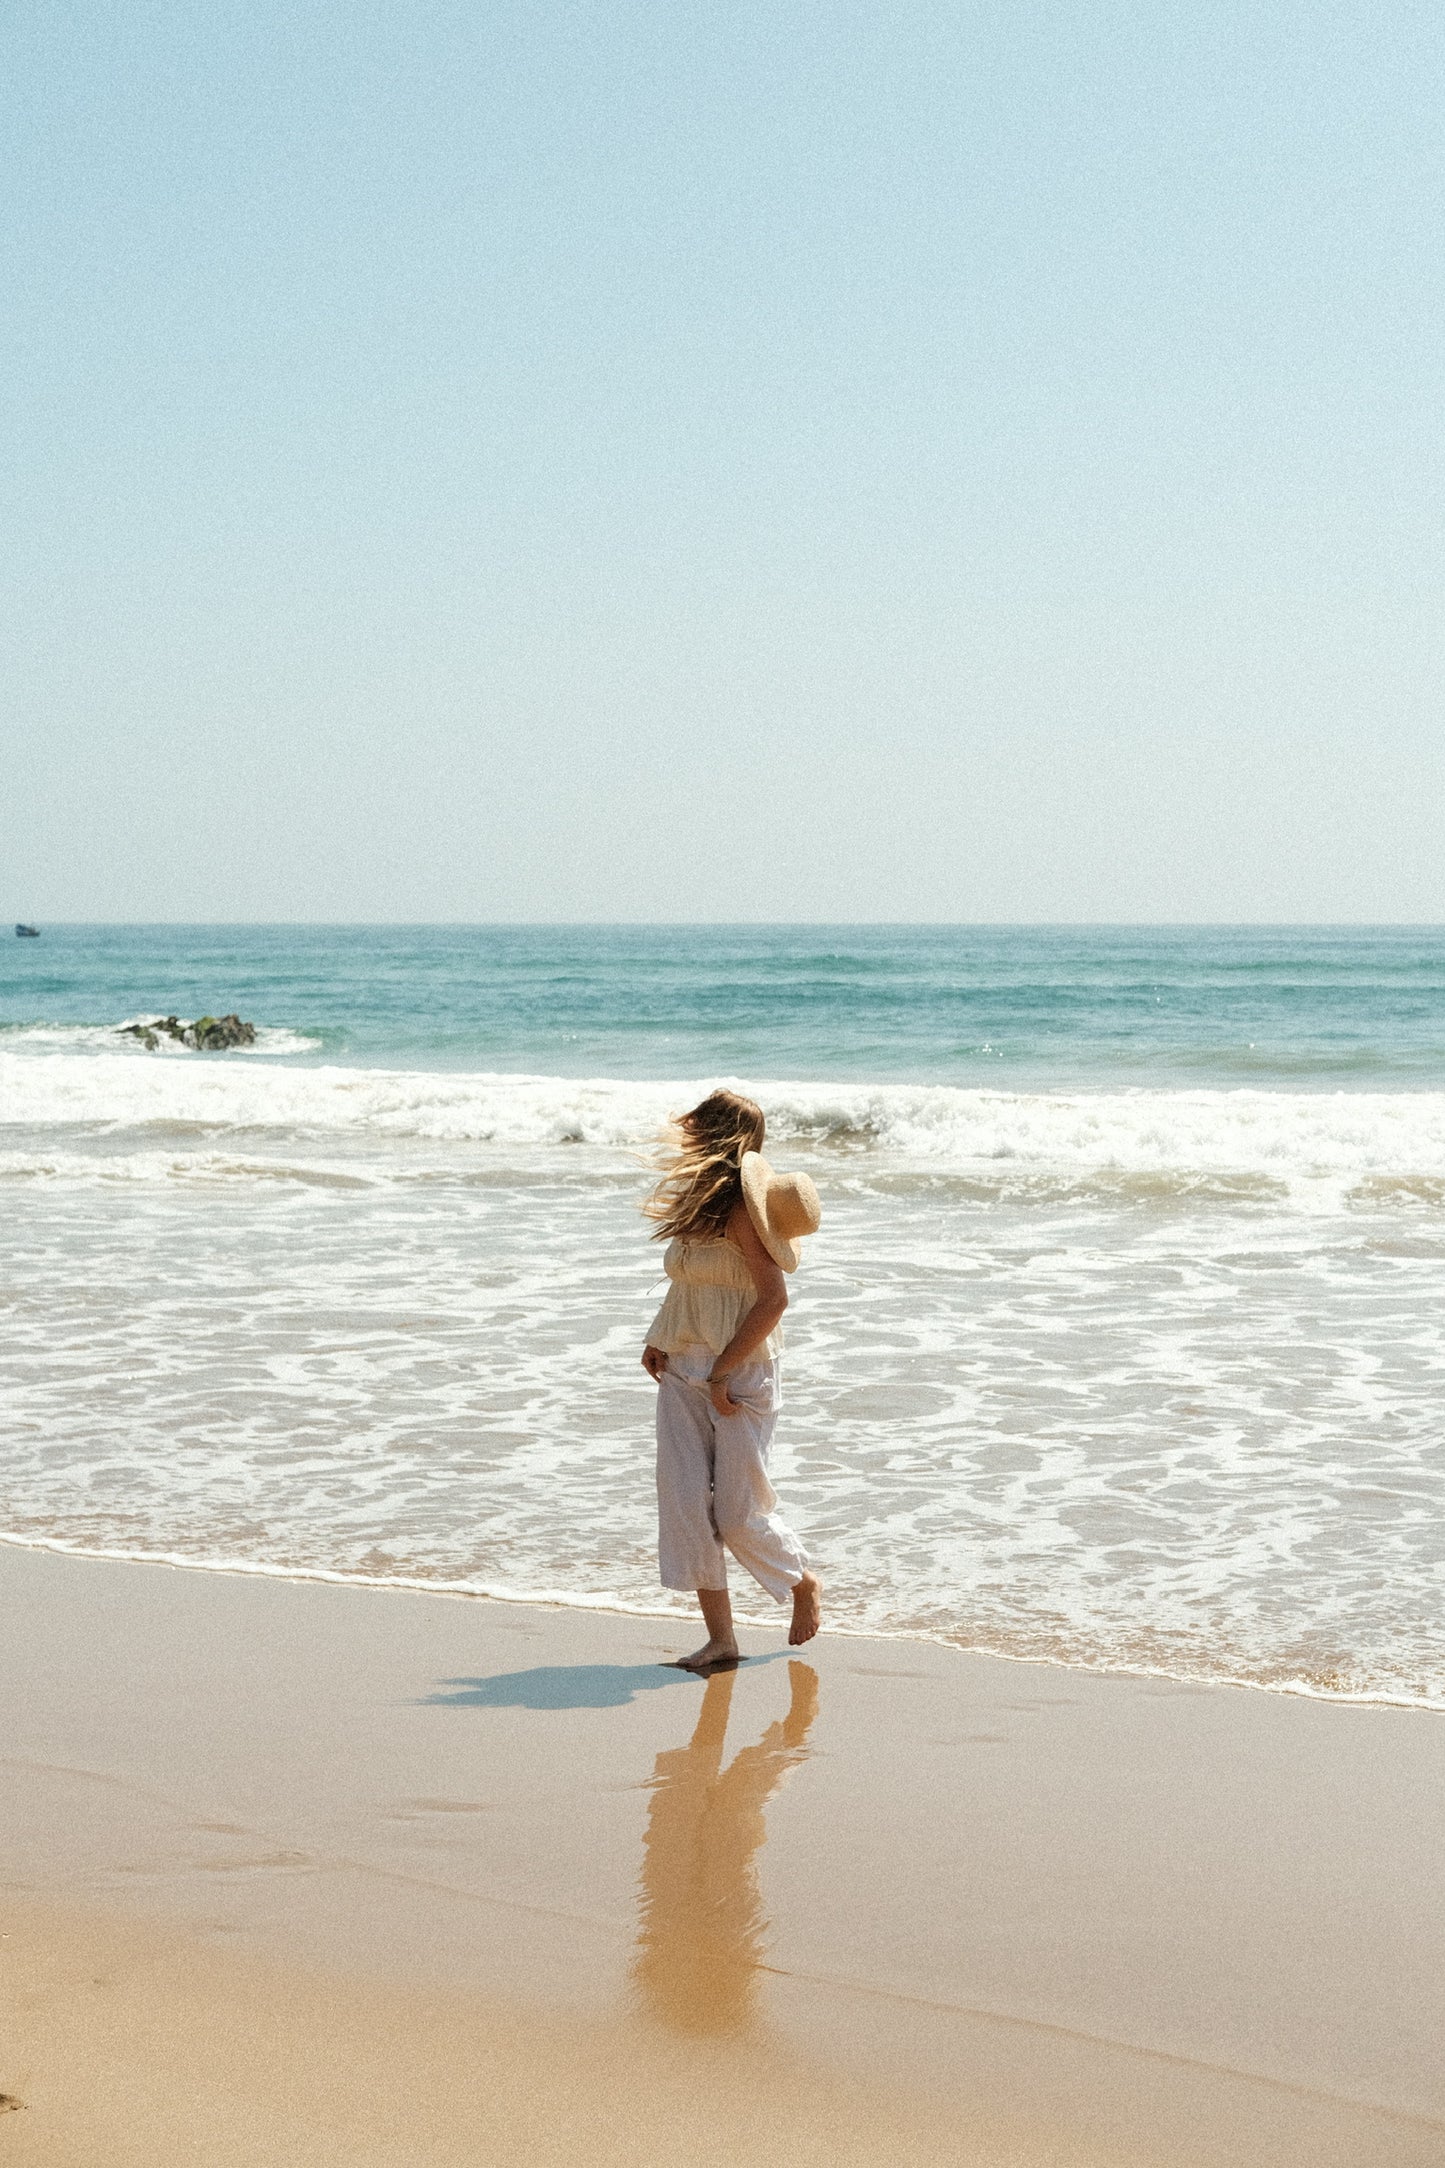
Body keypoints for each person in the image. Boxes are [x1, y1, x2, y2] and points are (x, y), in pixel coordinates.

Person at [641, 1090, 822, 1671]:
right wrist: (658, 1337)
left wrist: (721, 1373)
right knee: (686, 1507)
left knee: (738, 1513)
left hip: (737, 1373)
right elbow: (688, 1282)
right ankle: (722, 1641)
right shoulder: (698, 1203)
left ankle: (801, 1582)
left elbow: (774, 1300)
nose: (686, 1132)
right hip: (682, 1366)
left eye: (697, 1125)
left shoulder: (746, 1212)